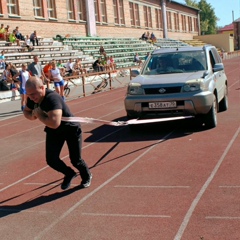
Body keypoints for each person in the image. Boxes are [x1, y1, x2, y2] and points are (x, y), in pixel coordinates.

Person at [23, 76, 92, 190]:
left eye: (34, 94)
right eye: (29, 94)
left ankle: (86, 175)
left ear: (42, 88)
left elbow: (55, 123)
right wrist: (32, 116)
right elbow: (26, 111)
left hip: (70, 129)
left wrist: (39, 115)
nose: (31, 97)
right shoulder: (32, 98)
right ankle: (69, 173)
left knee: (75, 160)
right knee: (51, 160)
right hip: (54, 130)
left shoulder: (52, 99)